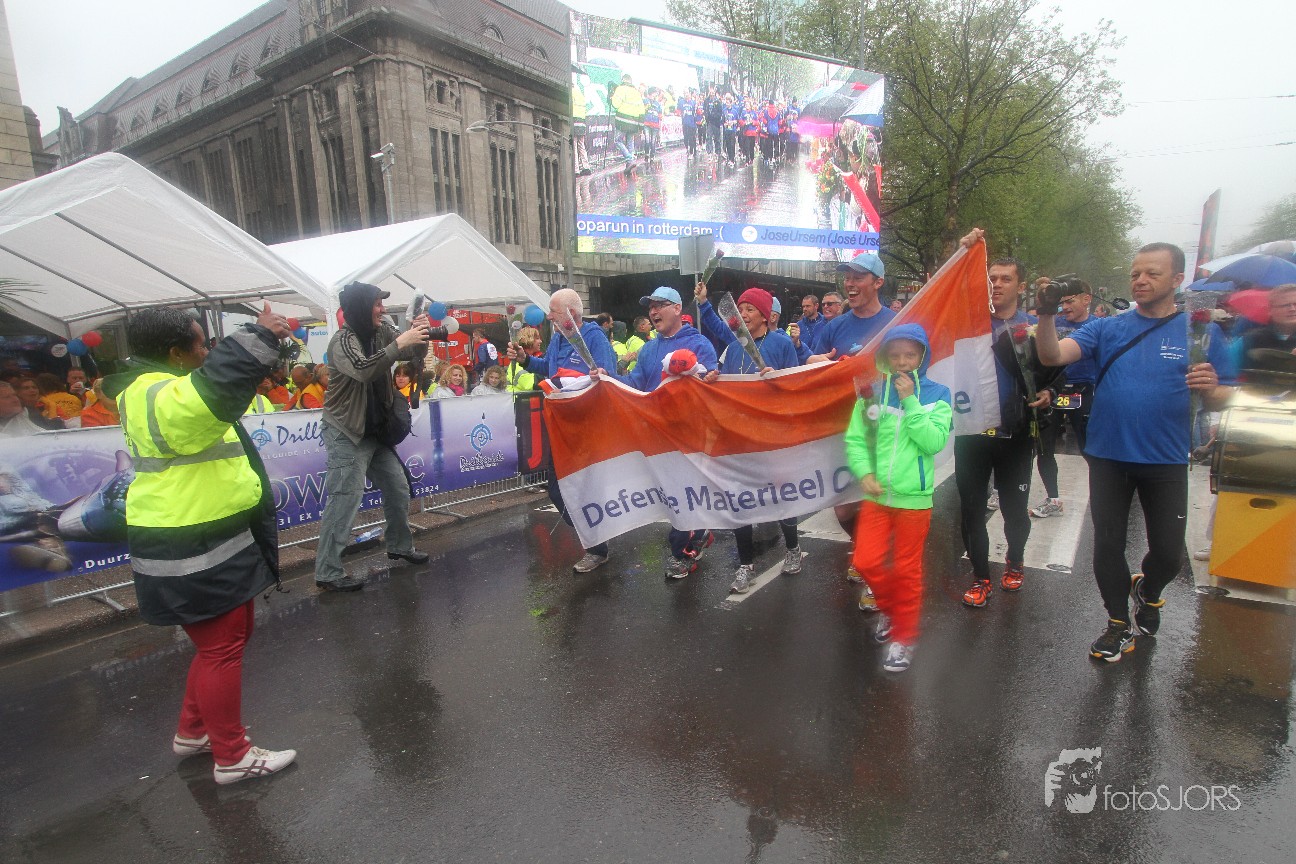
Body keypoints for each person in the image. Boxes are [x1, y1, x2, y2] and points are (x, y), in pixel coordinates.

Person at [102, 304, 296, 784]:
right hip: (189, 537)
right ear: (174, 353)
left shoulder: (161, 387)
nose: (208, 351)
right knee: (221, 648)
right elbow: (220, 385)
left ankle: (194, 733)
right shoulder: (156, 392)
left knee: (226, 640)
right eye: (201, 343)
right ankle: (232, 756)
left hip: (208, 530)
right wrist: (257, 335)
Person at [1033, 242, 1237, 662]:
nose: (1140, 281)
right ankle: (1117, 623)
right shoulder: (1108, 328)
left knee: (1168, 554)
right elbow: (1052, 355)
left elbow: (1225, 396)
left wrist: (1214, 388)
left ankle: (1148, 588)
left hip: (1166, 459)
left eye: (1152, 274)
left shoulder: (1200, 332)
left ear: (1177, 279)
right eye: (1135, 274)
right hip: (1109, 456)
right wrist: (1046, 313)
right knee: (1107, 545)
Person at [952, 238, 1057, 609]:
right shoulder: (970, 324)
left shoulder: (1035, 327)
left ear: (1021, 286)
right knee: (971, 510)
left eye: (1005, 279)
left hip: (1015, 435)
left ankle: (1015, 560)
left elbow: (1056, 371)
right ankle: (981, 577)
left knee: (1014, 511)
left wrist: (1048, 393)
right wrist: (962, 253)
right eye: (991, 278)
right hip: (971, 432)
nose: (996, 284)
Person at [846, 324, 953, 673]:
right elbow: (856, 440)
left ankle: (904, 637)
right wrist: (865, 473)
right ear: (885, 358)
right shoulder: (872, 394)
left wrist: (910, 400)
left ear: (922, 356)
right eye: (895, 356)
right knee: (865, 562)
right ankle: (894, 612)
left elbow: (933, 442)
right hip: (877, 496)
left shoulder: (938, 394)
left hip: (914, 500)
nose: (903, 362)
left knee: (907, 571)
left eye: (910, 355)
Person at [315, 282, 432, 593]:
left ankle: (400, 546)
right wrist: (402, 340)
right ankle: (327, 571)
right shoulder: (342, 341)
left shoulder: (382, 331)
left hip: (375, 430)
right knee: (345, 499)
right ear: (360, 308)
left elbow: (411, 353)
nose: (383, 309)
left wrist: (420, 334)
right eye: (377, 304)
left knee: (398, 487)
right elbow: (364, 369)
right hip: (346, 431)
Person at [597, 287, 719, 578]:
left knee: (682, 494)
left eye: (660, 305)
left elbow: (710, 383)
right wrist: (608, 377)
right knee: (669, 496)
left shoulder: (698, 343)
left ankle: (682, 553)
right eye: (650, 307)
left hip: (688, 436)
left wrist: (704, 377)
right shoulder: (649, 349)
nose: (653, 311)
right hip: (655, 436)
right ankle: (699, 533)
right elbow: (636, 382)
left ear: (677, 309)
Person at [694, 283, 802, 593]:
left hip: (771, 436)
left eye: (750, 309)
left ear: (766, 316)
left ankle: (793, 548)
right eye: (740, 309)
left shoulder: (781, 344)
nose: (742, 314)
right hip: (737, 436)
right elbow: (718, 371)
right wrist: (712, 376)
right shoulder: (734, 344)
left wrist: (777, 380)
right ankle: (745, 564)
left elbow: (796, 385)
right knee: (738, 499)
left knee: (780, 496)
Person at [507, 289, 618, 573]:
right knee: (557, 491)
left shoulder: (593, 337)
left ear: (571, 313)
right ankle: (597, 537)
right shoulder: (558, 337)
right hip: (560, 427)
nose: (548, 316)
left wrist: (597, 376)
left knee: (587, 489)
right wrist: (525, 359)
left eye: (553, 311)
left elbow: (609, 375)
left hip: (587, 428)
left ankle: (597, 547)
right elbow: (549, 367)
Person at [1031, 278, 1097, 518]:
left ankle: (1104, 496)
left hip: (1084, 391)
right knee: (1044, 448)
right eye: (1062, 303)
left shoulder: (1098, 326)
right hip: (1053, 391)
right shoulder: (1053, 323)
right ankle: (1053, 499)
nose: (1065, 307)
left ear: (1086, 299)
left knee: (1091, 449)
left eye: (1070, 301)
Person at [1240, 283, 1296, 374]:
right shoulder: (1249, 339)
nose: (1292, 309)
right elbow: (1228, 374)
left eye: (1295, 304)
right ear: (1270, 310)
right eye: (1285, 305)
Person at [610, 73, 645, 173]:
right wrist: (641, 126)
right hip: (634, 122)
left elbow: (615, 104)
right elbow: (641, 110)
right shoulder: (636, 92)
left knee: (618, 141)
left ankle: (630, 159)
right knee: (630, 142)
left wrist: (611, 98)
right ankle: (629, 164)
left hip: (622, 121)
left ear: (623, 80)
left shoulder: (620, 89)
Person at [505, 327, 541, 392]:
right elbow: (531, 384)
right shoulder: (518, 362)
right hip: (516, 398)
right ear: (529, 339)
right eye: (537, 338)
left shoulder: (532, 359)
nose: (540, 341)